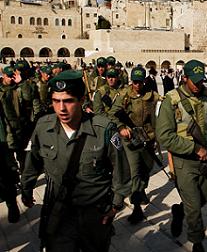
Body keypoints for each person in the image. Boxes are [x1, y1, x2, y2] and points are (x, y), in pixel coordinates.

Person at [21, 70, 131, 252]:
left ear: (81, 101)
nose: (61, 108)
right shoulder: (43, 127)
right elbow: (32, 161)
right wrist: (26, 188)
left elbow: (121, 169)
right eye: (56, 101)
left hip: (94, 214)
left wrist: (116, 204)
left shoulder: (104, 129)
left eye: (68, 101)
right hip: (60, 213)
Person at [156, 59, 207, 252]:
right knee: (194, 207)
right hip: (183, 160)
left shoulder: (206, 95)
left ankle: (179, 211)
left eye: (201, 81)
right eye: (194, 81)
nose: (198, 85)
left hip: (204, 158)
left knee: (204, 197)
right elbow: (164, 136)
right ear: (184, 78)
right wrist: (194, 148)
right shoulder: (171, 100)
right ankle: (197, 242)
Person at [109, 66, 161, 224]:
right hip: (131, 139)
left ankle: (142, 190)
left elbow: (163, 103)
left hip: (148, 138)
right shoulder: (124, 95)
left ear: (145, 81)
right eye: (135, 82)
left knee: (147, 167)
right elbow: (112, 114)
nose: (137, 85)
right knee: (135, 171)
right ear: (132, 81)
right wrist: (121, 127)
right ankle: (136, 206)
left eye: (140, 82)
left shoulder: (150, 95)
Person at [0, 66, 21, 223]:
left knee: (7, 177)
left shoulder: (2, 94)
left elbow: (10, 117)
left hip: (2, 142)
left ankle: (12, 204)